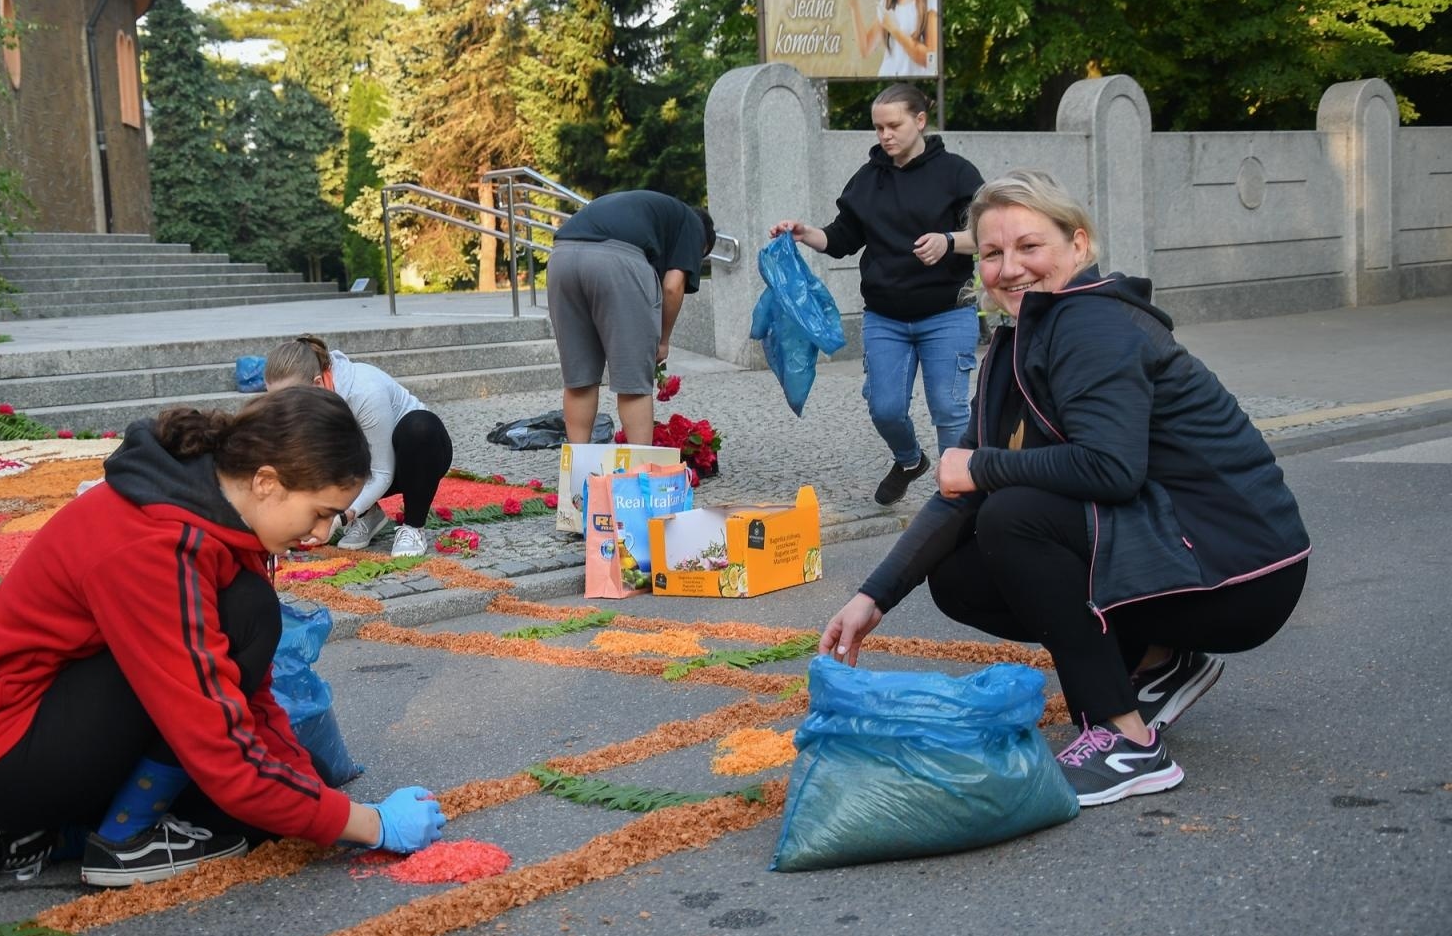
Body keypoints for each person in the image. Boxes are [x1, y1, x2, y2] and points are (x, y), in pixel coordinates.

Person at [819, 169, 1310, 807]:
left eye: (1030, 246)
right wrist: (873, 597)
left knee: (1014, 518)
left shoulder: (1090, 323)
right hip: (1184, 548)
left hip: (1243, 567)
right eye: (992, 253)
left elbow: (1110, 468)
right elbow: (959, 490)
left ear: (1079, 245)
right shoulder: (1019, 339)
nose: (1009, 268)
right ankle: (1159, 663)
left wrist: (984, 468)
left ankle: (1126, 742)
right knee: (961, 574)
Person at [0, 386, 447, 889]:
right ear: (266, 482)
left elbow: (249, 702)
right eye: (319, 512)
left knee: (293, 794)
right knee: (249, 632)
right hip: (7, 757)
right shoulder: (157, 545)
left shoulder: (211, 508)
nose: (321, 534)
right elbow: (216, 738)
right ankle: (122, 839)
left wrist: (318, 795)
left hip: (61, 731)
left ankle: (57, 835)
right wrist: (372, 826)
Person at [770, 82, 981, 507]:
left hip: (947, 312)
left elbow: (987, 235)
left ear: (920, 121)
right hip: (886, 317)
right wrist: (805, 233)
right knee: (884, 408)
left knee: (948, 408)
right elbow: (842, 238)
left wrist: (948, 241)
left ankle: (958, 499)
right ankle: (909, 460)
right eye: (878, 128)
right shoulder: (867, 180)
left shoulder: (957, 173)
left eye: (894, 126)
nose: (885, 135)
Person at [548, 190, 716, 445]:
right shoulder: (693, 224)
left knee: (579, 380)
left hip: (561, 258)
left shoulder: (646, 207)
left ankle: (576, 465)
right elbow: (673, 286)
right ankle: (640, 467)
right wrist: (662, 340)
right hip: (616, 263)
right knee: (633, 384)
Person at [264, 334, 453, 557]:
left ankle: (413, 526)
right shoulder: (308, 400)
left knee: (420, 428)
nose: (282, 409)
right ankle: (369, 514)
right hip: (365, 461)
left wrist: (338, 517)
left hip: (415, 460)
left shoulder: (363, 391)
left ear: (317, 384)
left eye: (288, 400)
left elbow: (382, 472)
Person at [851, 0, 938, 77]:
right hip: (887, 80)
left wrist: (895, 31)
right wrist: (853, 2)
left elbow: (931, 60)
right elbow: (865, 49)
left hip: (913, 84)